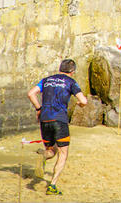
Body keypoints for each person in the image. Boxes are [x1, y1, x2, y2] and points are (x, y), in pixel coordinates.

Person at [27, 59, 88, 195]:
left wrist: (38, 108)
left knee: (51, 150)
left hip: (45, 119)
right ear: (72, 72)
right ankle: (52, 186)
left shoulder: (46, 80)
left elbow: (31, 94)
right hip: (59, 120)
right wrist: (79, 104)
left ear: (59, 68)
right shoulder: (71, 82)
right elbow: (83, 101)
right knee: (63, 153)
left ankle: (42, 156)